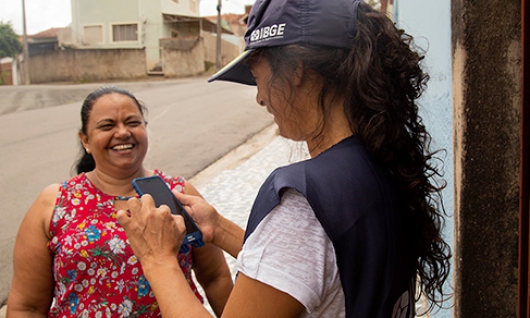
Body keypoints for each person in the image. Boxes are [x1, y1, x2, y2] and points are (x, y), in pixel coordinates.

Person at [116, 0, 452, 317]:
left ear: (297, 72)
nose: (260, 98)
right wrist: (218, 228)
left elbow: (302, 244)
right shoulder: (381, 161)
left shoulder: (303, 199)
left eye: (259, 78)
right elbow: (307, 267)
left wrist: (157, 259)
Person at [7, 86, 233, 317]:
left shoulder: (179, 194)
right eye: (107, 126)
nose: (123, 132)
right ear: (85, 139)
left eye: (133, 122)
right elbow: (27, 306)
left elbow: (216, 277)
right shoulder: (55, 203)